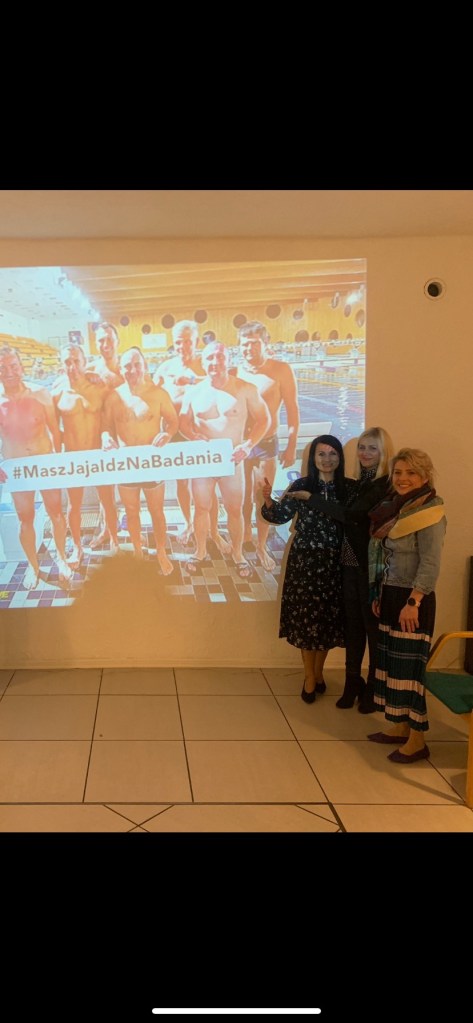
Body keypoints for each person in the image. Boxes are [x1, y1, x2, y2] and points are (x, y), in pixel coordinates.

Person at [290, 426, 394, 712]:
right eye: (362, 447)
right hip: (347, 564)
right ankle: (352, 683)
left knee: (371, 629)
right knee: (353, 628)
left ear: (384, 452)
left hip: (368, 567)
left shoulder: (383, 484)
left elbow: (352, 516)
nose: (365, 453)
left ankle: (372, 688)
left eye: (372, 448)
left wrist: (311, 498)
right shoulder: (358, 483)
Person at [366, 448, 446, 762]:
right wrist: (379, 595)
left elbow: (430, 564)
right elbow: (388, 559)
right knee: (392, 667)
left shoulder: (430, 514)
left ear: (425, 477)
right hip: (392, 595)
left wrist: (414, 602)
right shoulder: (398, 509)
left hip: (413, 600)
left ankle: (417, 740)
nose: (403, 479)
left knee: (410, 672)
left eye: (411, 473)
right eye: (398, 472)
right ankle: (400, 727)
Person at [261, 435, 346, 701]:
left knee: (326, 621)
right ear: (313, 458)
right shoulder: (301, 485)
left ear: (340, 457)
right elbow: (278, 516)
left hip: (335, 563)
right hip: (305, 562)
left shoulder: (348, 489)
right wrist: (267, 500)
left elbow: (351, 519)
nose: (327, 459)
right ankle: (309, 676)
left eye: (332, 453)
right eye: (321, 454)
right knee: (307, 620)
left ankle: (319, 672)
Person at [179, 341, 270, 577]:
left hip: (232, 460)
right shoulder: (194, 392)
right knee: (201, 507)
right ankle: (200, 551)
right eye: (210, 358)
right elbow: (183, 423)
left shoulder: (245, 388)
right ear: (203, 362)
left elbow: (264, 420)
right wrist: (193, 436)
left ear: (228, 360)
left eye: (220, 357)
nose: (215, 362)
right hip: (204, 461)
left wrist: (248, 445)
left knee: (234, 509)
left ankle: (238, 554)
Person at [153, 319, 229, 554]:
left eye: (188, 341)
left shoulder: (205, 365)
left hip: (199, 433)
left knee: (208, 485)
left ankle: (214, 531)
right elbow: (150, 392)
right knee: (182, 483)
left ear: (196, 341)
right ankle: (188, 524)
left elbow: (223, 381)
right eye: (178, 342)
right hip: (174, 433)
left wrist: (193, 380)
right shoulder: (165, 368)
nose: (183, 346)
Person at [0, 346, 72, 588]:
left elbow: (55, 430)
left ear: (22, 367)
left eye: (13, 366)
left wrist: (58, 459)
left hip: (44, 464)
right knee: (25, 519)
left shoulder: (41, 394)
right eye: (2, 368)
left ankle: (62, 559)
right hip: (17, 470)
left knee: (56, 513)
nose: (9, 372)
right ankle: (33, 566)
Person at [102, 346, 178, 574]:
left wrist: (168, 434)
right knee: (131, 510)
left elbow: (173, 421)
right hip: (126, 465)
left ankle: (161, 551)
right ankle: (137, 550)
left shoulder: (158, 394)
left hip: (151, 463)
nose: (132, 370)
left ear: (145, 366)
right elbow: (106, 426)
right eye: (127, 366)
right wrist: (105, 437)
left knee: (157, 511)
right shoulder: (114, 396)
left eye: (137, 365)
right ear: (121, 369)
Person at [235, 321, 300, 572]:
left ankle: (261, 546)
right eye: (244, 344)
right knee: (241, 497)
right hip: (240, 444)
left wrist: (291, 445)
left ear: (265, 343)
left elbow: (293, 409)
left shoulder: (280, 370)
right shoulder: (234, 372)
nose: (248, 348)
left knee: (263, 496)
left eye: (254, 343)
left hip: (266, 443)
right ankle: (244, 536)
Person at [51, 343, 120, 568]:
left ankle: (115, 542)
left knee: (108, 501)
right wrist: (54, 455)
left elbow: (119, 400)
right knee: (74, 505)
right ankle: (77, 548)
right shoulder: (57, 391)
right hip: (73, 457)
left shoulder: (99, 387)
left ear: (84, 361)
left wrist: (109, 437)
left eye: (76, 361)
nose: (72, 367)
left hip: (98, 454)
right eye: (67, 362)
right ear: (61, 365)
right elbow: (52, 428)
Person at [87, 322, 124, 549]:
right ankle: (107, 531)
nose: (106, 344)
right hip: (100, 435)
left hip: (126, 434)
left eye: (109, 339)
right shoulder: (90, 370)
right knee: (105, 489)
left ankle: (129, 528)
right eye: (101, 340)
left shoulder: (128, 368)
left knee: (131, 487)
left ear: (117, 341)